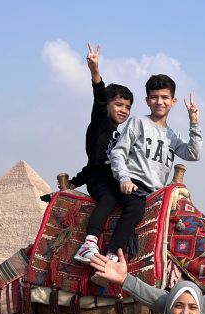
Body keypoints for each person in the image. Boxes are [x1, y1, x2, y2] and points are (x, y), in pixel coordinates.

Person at [102, 74, 201, 265]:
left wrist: (194, 122)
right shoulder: (138, 122)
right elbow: (118, 153)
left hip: (157, 193)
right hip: (133, 185)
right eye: (154, 97)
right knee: (135, 209)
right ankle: (111, 256)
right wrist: (124, 179)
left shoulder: (172, 135)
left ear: (173, 101)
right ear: (147, 100)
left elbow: (193, 154)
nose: (159, 102)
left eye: (164, 97)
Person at [70, 43, 135, 264]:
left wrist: (73, 182)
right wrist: (95, 71)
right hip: (100, 182)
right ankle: (89, 244)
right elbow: (94, 166)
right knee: (107, 199)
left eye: (127, 107)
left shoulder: (122, 134)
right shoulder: (100, 124)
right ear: (107, 105)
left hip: (114, 179)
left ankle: (115, 250)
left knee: (136, 204)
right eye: (118, 104)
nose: (123, 110)